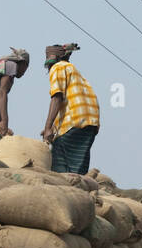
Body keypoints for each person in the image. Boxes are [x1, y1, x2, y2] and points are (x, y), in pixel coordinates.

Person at [40, 43, 100, 175]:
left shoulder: (57, 68)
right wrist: (51, 127)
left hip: (75, 121)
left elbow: (57, 97)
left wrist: (48, 127)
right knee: (77, 167)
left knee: (59, 166)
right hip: (90, 122)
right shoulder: (72, 70)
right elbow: (70, 101)